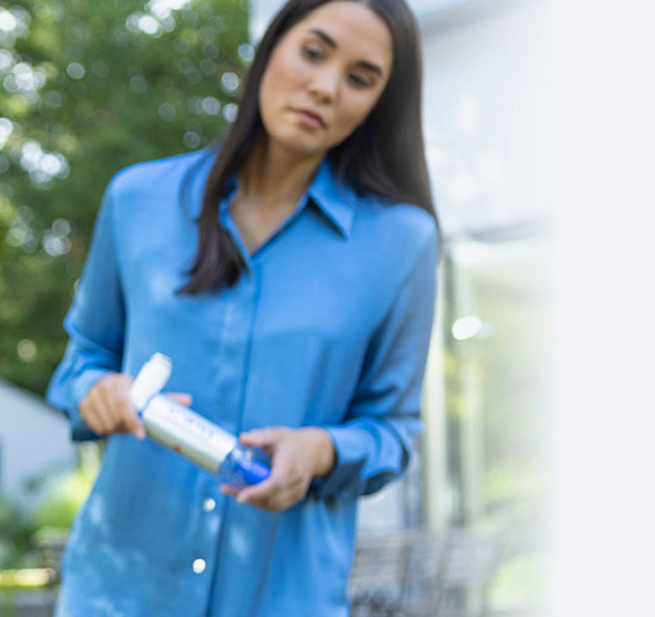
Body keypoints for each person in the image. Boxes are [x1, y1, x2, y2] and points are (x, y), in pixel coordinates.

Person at [45, 0, 438, 615]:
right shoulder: (137, 199)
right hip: (118, 593)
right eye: (313, 52)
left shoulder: (401, 242)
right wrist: (97, 391)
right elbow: (82, 362)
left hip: (285, 597)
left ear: (378, 104)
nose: (326, 87)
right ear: (270, 47)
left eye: (360, 78)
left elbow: (393, 429)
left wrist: (321, 451)